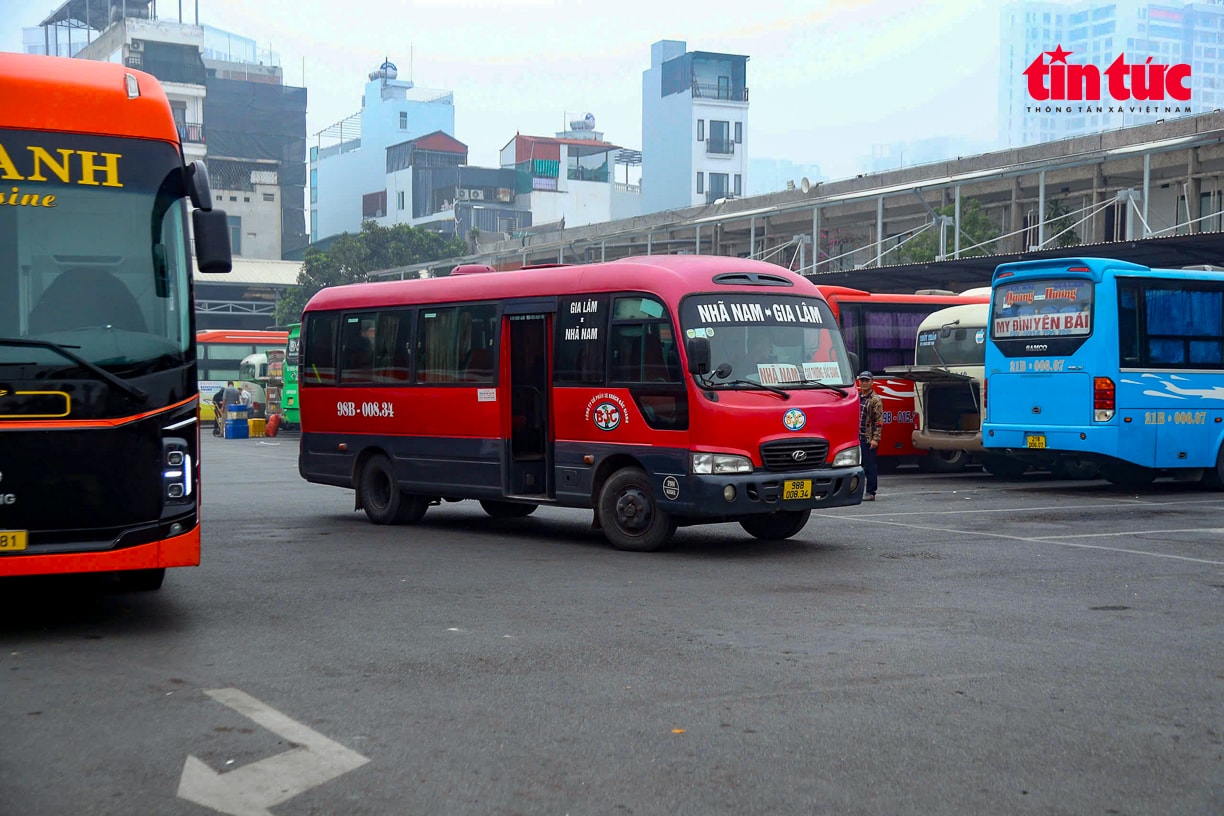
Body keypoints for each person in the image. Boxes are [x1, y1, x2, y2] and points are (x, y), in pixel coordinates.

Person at [857, 371, 883, 501]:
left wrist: (875, 439)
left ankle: (871, 492)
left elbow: (879, 422)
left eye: (867, 380)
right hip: (856, 438)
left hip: (867, 438)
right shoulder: (857, 397)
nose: (864, 383)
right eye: (862, 380)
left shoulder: (875, 400)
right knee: (857, 466)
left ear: (872, 382)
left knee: (870, 466)